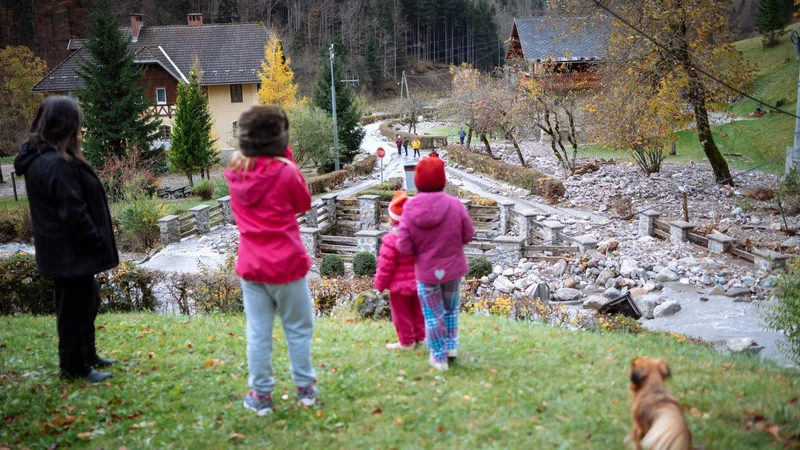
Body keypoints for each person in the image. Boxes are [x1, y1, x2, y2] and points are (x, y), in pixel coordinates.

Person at [14, 96, 118, 383]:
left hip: (64, 252)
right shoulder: (55, 163)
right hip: (71, 252)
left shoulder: (44, 158)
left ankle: (88, 355)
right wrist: (94, 239)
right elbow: (72, 210)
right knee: (74, 309)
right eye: (76, 124)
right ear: (64, 125)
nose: (79, 130)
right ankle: (74, 368)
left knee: (87, 299)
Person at [224, 106, 318, 416]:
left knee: (258, 332)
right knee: (298, 329)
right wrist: (285, 154)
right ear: (279, 140)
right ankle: (305, 390)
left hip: (252, 268)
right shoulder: (286, 171)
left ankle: (261, 396)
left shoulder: (235, 172)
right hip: (287, 266)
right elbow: (303, 203)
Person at [397, 154, 474, 371]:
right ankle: (450, 347)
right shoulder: (455, 204)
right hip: (452, 269)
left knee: (432, 315)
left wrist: (417, 253)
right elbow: (468, 234)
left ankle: (438, 357)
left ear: (418, 182)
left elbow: (403, 246)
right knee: (450, 309)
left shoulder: (410, 209)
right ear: (443, 180)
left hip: (427, 272)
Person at [374, 191, 425, 350]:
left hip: (399, 288)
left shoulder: (391, 240)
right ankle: (420, 338)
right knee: (418, 312)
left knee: (401, 316)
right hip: (419, 283)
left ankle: (407, 342)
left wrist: (379, 285)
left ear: (391, 218)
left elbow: (385, 266)